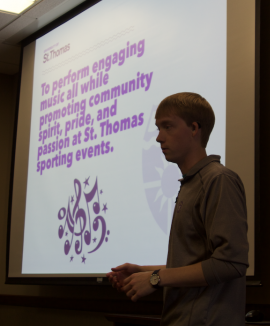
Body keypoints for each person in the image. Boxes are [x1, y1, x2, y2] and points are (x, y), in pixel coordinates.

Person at [106, 92, 249, 326]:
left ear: (194, 128)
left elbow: (231, 263)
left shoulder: (218, 180)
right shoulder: (190, 184)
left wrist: (155, 279)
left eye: (168, 127)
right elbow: (195, 262)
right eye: (158, 128)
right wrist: (141, 271)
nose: (159, 138)